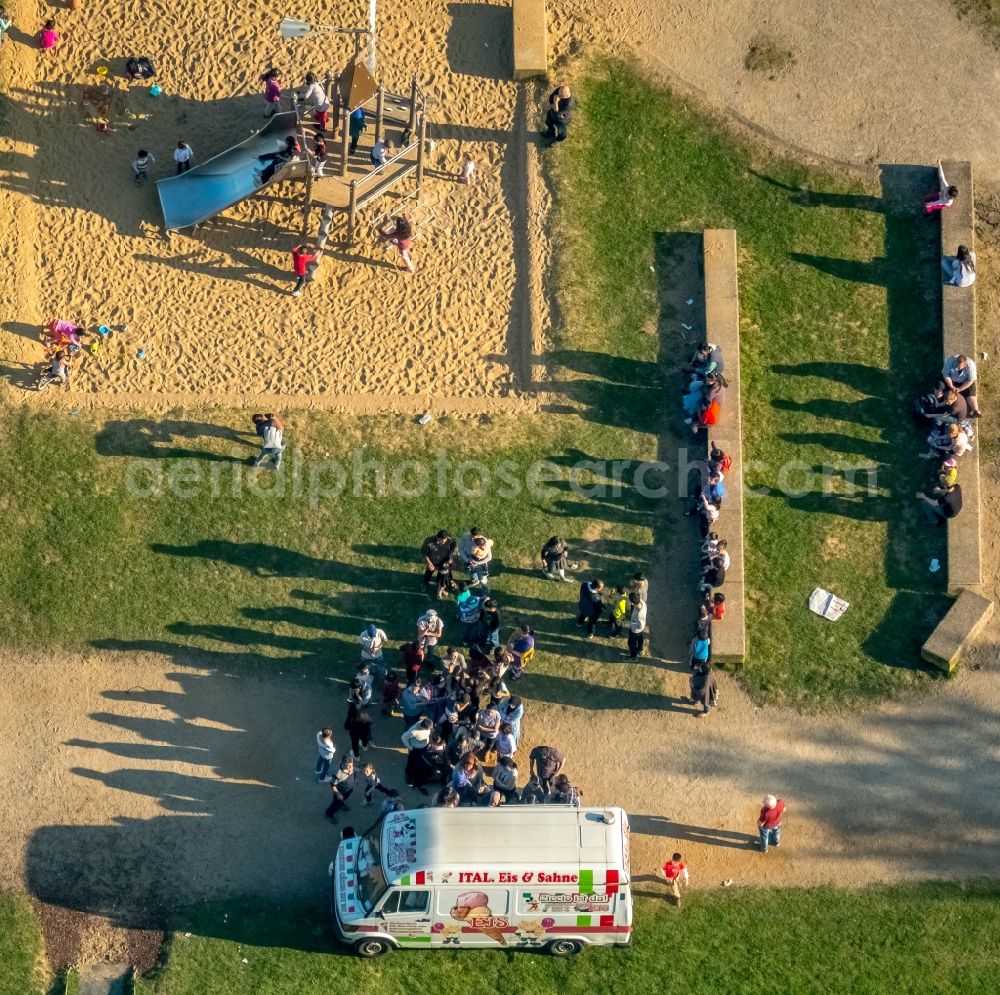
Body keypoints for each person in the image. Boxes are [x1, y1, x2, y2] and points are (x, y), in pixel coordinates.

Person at [402, 718, 435, 794]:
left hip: (424, 747)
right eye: (430, 728)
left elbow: (431, 731)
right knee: (411, 764)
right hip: (415, 749)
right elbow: (404, 738)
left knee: (420, 764)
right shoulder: (414, 731)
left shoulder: (425, 723)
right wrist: (411, 748)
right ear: (424, 727)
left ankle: (417, 779)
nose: (431, 729)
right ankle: (408, 777)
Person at [420, 529, 457, 595]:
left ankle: (450, 581)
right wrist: (428, 563)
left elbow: (453, 546)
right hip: (433, 562)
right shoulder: (429, 541)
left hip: (445, 561)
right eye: (441, 541)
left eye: (445, 540)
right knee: (428, 573)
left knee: (447, 573)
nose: (443, 542)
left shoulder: (450, 540)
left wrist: (450, 556)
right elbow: (423, 552)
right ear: (438, 538)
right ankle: (425, 583)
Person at [344, 683, 373, 759]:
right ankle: (365, 746)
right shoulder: (363, 710)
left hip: (354, 729)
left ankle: (356, 755)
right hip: (364, 725)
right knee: (364, 736)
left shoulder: (352, 711)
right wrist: (357, 694)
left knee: (354, 742)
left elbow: (348, 722)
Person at [325, 756, 356, 820]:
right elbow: (333, 785)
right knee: (335, 805)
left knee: (344, 799)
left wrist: (356, 778)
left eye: (352, 765)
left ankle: (342, 804)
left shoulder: (350, 766)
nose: (351, 767)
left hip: (348, 790)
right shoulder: (338, 773)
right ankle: (329, 814)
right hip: (340, 793)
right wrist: (338, 794)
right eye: (349, 766)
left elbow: (353, 771)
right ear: (343, 764)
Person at [626, 592, 647, 660]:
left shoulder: (639, 615)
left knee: (631, 643)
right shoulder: (642, 602)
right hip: (641, 628)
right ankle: (640, 649)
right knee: (640, 638)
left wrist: (629, 623)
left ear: (633, 603)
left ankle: (633, 657)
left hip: (635, 630)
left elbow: (639, 625)